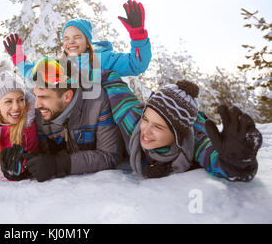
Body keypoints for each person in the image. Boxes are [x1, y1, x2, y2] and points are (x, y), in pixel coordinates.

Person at [102, 71, 262, 181]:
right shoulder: (131, 118)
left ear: (178, 135)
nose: (146, 130)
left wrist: (237, 162)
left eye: (158, 127)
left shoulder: (195, 143)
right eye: (146, 119)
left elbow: (217, 160)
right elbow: (113, 81)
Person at [3, 58, 125, 182]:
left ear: (67, 96)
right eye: (36, 95)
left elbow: (110, 156)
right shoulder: (42, 114)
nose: (37, 105)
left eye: (44, 97)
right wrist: (24, 165)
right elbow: (44, 156)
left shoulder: (97, 103)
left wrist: (60, 164)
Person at [3, 0, 152, 81]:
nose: (71, 42)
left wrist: (138, 36)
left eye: (77, 37)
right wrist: (18, 57)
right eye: (66, 38)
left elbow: (136, 64)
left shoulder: (103, 59)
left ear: (87, 41)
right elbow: (31, 73)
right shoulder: (60, 64)